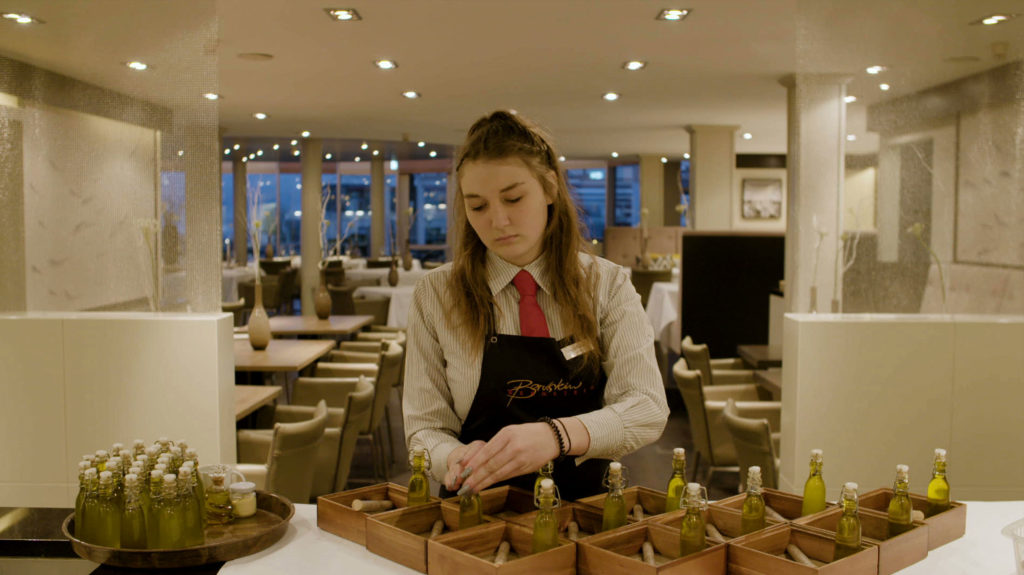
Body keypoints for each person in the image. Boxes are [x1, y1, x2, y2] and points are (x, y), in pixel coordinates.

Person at [403, 110, 668, 501]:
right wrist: (453, 458)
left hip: (586, 510)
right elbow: (424, 429)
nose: (498, 220)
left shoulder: (606, 285)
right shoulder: (436, 294)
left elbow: (646, 407)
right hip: (476, 509)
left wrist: (556, 436)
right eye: (478, 206)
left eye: (513, 198)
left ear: (549, 189)